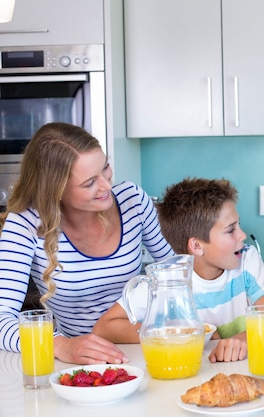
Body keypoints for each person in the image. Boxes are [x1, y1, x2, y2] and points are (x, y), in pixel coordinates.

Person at [0, 122, 175, 364]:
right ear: (56, 190)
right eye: (89, 182)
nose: (106, 186)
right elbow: (2, 318)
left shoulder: (132, 201)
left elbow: (176, 275)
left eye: (105, 168)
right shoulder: (25, 224)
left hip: (144, 350)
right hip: (77, 364)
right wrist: (59, 345)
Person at [93, 177, 264, 363]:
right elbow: (105, 327)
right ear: (197, 246)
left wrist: (238, 340)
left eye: (238, 224)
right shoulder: (166, 279)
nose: (242, 235)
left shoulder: (247, 259)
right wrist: (174, 333)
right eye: (231, 230)